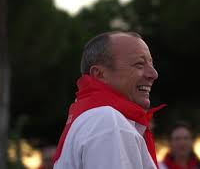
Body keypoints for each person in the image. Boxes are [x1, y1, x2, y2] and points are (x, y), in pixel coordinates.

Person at [53, 31, 165, 169]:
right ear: (99, 74)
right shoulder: (107, 121)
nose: (153, 74)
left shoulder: (90, 119)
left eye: (151, 64)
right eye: (139, 64)